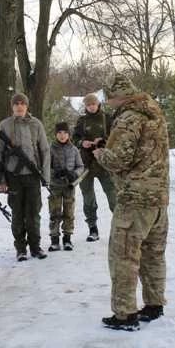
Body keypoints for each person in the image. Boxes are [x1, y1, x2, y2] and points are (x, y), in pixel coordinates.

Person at [94, 74, 169, 331]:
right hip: (158, 199)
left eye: (109, 98)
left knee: (124, 256)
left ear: (116, 96)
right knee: (153, 254)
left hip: (135, 200)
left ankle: (125, 314)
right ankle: (154, 303)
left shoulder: (128, 118)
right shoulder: (154, 113)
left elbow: (118, 160)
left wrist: (100, 152)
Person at [0, 93, 51, 261]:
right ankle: (20, 249)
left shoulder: (36, 124)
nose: (19, 106)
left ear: (27, 106)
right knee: (17, 214)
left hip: (33, 176)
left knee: (34, 213)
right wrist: (1, 180)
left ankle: (35, 247)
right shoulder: (4, 125)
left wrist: (45, 176)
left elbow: (45, 151)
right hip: (13, 177)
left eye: (22, 103)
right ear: (12, 106)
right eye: (16, 104)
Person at [73, 93, 116, 242]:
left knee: (113, 197)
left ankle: (119, 228)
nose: (91, 106)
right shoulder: (82, 121)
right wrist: (82, 143)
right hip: (86, 165)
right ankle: (93, 228)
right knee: (88, 199)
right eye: (88, 104)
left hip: (105, 164)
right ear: (85, 106)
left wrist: (103, 141)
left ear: (98, 104)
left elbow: (117, 137)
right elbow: (74, 138)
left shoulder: (108, 119)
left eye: (93, 104)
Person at [48, 122, 84, 251]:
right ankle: (54, 239)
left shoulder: (74, 150)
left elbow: (80, 166)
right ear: (56, 135)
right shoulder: (50, 149)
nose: (62, 136)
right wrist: (54, 173)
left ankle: (67, 238)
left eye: (65, 133)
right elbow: (46, 167)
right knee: (55, 212)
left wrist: (74, 174)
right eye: (59, 133)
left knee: (69, 212)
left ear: (68, 135)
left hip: (69, 186)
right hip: (55, 186)